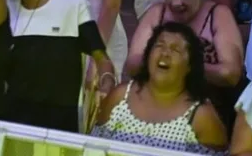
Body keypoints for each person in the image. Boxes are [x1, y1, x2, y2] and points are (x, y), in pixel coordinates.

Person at [0, 0, 115, 132]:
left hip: (62, 129)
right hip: (14, 126)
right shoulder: (5, 14)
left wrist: (107, 81)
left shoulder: (73, 5)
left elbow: (101, 57)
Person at [127, 0, 244, 130]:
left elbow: (230, 73)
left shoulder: (218, 15)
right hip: (161, 106)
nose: (175, 3)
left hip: (212, 110)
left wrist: (182, 65)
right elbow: (132, 64)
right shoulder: (157, 13)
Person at [93, 22, 228, 153]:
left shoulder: (201, 116)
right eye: (159, 45)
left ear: (190, 66)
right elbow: (92, 148)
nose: (165, 53)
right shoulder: (120, 97)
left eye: (175, 49)